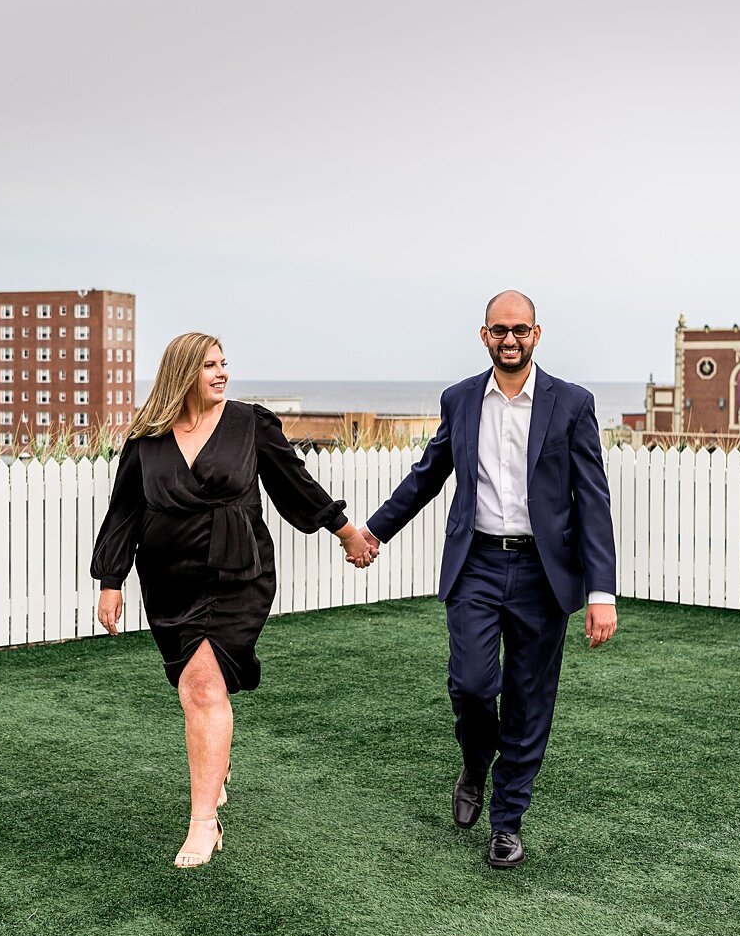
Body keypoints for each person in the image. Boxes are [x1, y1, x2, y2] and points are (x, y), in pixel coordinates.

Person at [90, 331, 376, 868]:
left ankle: (203, 823)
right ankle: (214, 767)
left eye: (224, 363)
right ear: (182, 373)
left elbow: (295, 484)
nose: (222, 373)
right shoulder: (147, 438)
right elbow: (124, 509)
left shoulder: (250, 424)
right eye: (209, 366)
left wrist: (345, 531)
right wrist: (111, 580)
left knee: (202, 686)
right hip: (169, 581)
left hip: (238, 576)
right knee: (194, 690)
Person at [355, 290, 617, 868]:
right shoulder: (461, 400)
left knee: (529, 699)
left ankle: (508, 821)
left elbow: (592, 502)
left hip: (543, 574)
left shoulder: (572, 404)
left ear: (537, 334)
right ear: (484, 335)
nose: (510, 339)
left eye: (520, 330)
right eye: (500, 330)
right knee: (473, 686)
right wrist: (374, 531)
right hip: (474, 563)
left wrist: (601, 592)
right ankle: (476, 761)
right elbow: (428, 475)